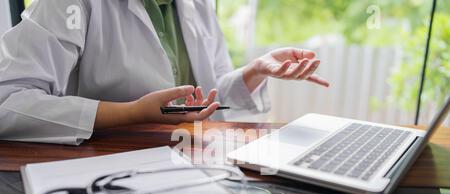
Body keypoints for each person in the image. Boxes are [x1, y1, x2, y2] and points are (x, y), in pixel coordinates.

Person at [0, 0, 329, 145]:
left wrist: (255, 71)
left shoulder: (196, 5)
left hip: (185, 163)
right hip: (101, 174)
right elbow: (8, 103)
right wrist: (132, 113)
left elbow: (209, 97)